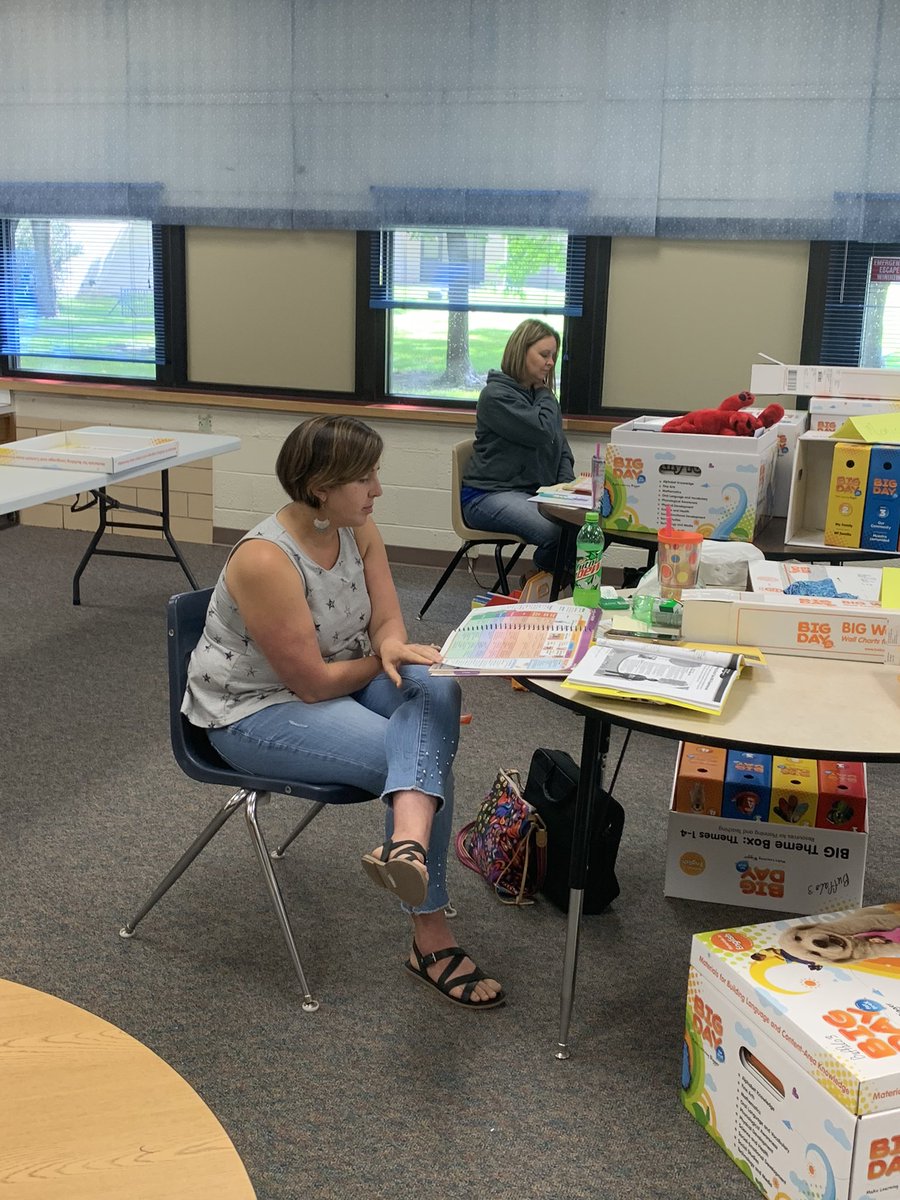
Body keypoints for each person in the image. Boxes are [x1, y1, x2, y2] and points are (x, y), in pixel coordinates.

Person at [182, 415, 504, 1010]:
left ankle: (405, 843)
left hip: (338, 678)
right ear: (320, 486)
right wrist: (389, 660)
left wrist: (393, 649)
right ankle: (431, 941)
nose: (377, 490)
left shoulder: (358, 527)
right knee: (415, 756)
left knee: (432, 689)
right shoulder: (264, 559)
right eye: (365, 478)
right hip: (253, 709)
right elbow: (309, 684)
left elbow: (387, 622)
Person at [461, 318, 575, 575]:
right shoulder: (496, 396)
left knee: (579, 527)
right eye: (544, 354)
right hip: (486, 496)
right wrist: (546, 393)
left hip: (528, 493)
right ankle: (541, 584)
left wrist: (564, 491)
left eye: (553, 356)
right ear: (521, 352)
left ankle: (549, 591)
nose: (550, 362)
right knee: (559, 533)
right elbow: (542, 432)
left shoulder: (539, 397)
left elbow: (561, 448)